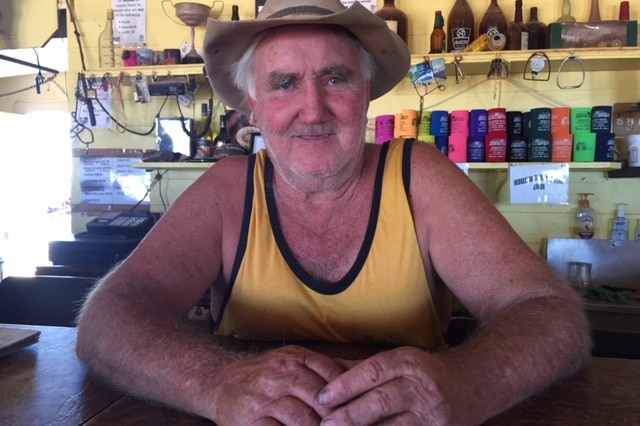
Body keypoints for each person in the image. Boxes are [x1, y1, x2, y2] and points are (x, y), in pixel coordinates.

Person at [76, 0, 591, 424]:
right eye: (283, 84)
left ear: (367, 94)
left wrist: (464, 383)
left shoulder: (419, 178)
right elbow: (107, 320)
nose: (314, 109)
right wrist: (216, 383)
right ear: (252, 107)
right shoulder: (229, 190)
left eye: (336, 78)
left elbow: (553, 316)